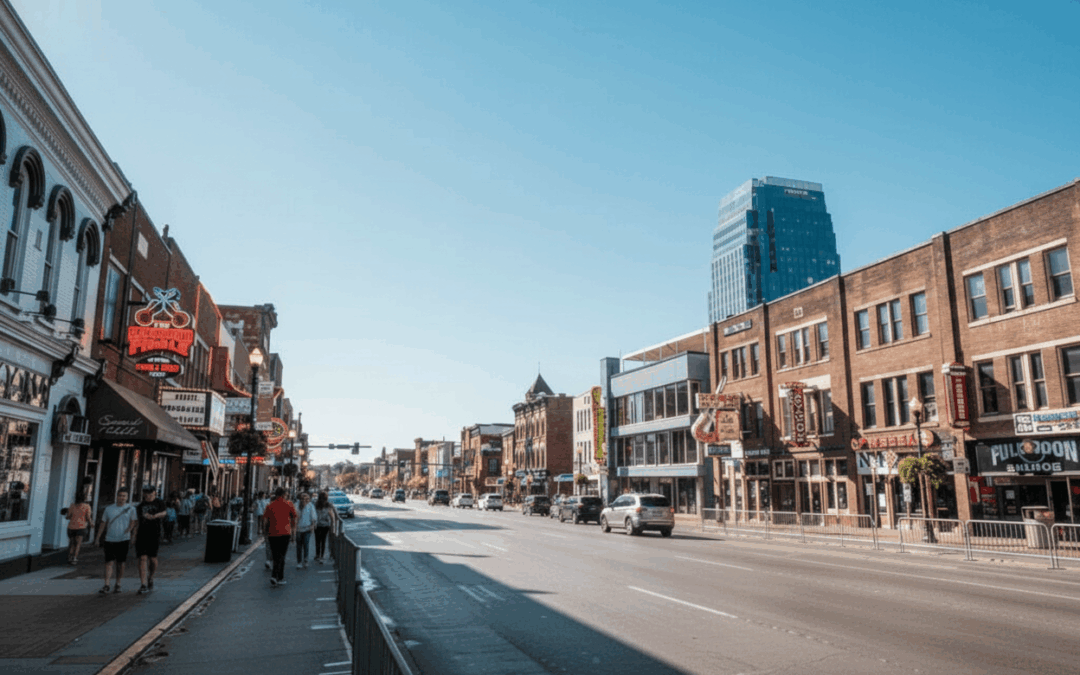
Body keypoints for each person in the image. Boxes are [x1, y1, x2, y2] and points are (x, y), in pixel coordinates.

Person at [95, 489, 137, 594]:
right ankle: (107, 584)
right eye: (120, 495)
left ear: (127, 497)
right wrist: (98, 537)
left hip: (123, 539)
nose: (122, 498)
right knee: (108, 562)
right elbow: (103, 523)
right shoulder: (109, 509)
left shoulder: (131, 509)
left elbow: (134, 521)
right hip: (109, 539)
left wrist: (131, 531)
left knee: (120, 563)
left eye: (124, 496)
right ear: (116, 496)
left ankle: (118, 583)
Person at [134, 485, 167, 595]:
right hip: (142, 534)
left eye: (150, 493)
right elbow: (137, 521)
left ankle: (150, 577)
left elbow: (164, 513)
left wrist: (154, 516)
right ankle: (143, 584)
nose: (148, 496)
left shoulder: (159, 502)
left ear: (154, 493)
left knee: (153, 559)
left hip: (154, 534)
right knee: (142, 558)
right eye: (146, 493)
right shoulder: (140, 506)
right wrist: (134, 535)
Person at [262, 487, 297, 586]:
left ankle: (278, 577)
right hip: (285, 533)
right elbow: (294, 519)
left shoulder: (270, 505)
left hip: (272, 533)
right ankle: (277, 576)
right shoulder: (289, 504)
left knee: (275, 555)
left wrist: (265, 532)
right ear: (284, 495)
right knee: (281, 555)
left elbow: (265, 521)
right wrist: (293, 533)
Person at [64, 491, 94, 565]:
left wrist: (69, 516)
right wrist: (91, 523)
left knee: (72, 542)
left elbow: (68, 516)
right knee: (78, 544)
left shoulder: (72, 505)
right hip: (81, 527)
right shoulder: (87, 506)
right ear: (84, 498)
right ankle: (74, 558)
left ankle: (70, 556)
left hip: (71, 527)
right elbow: (88, 517)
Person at [313, 491, 337, 564]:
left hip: (317, 525)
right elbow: (333, 515)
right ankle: (322, 556)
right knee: (323, 541)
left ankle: (317, 555)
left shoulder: (316, 504)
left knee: (317, 540)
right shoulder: (329, 505)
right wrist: (333, 526)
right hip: (326, 525)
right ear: (326, 498)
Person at [295, 492, 316, 569]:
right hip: (298, 529)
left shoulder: (310, 506)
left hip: (307, 528)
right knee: (299, 546)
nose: (305, 500)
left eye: (307, 499)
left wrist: (313, 525)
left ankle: (306, 560)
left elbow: (313, 517)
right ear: (301, 499)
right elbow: (294, 517)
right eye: (303, 499)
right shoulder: (296, 505)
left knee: (306, 544)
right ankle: (299, 562)